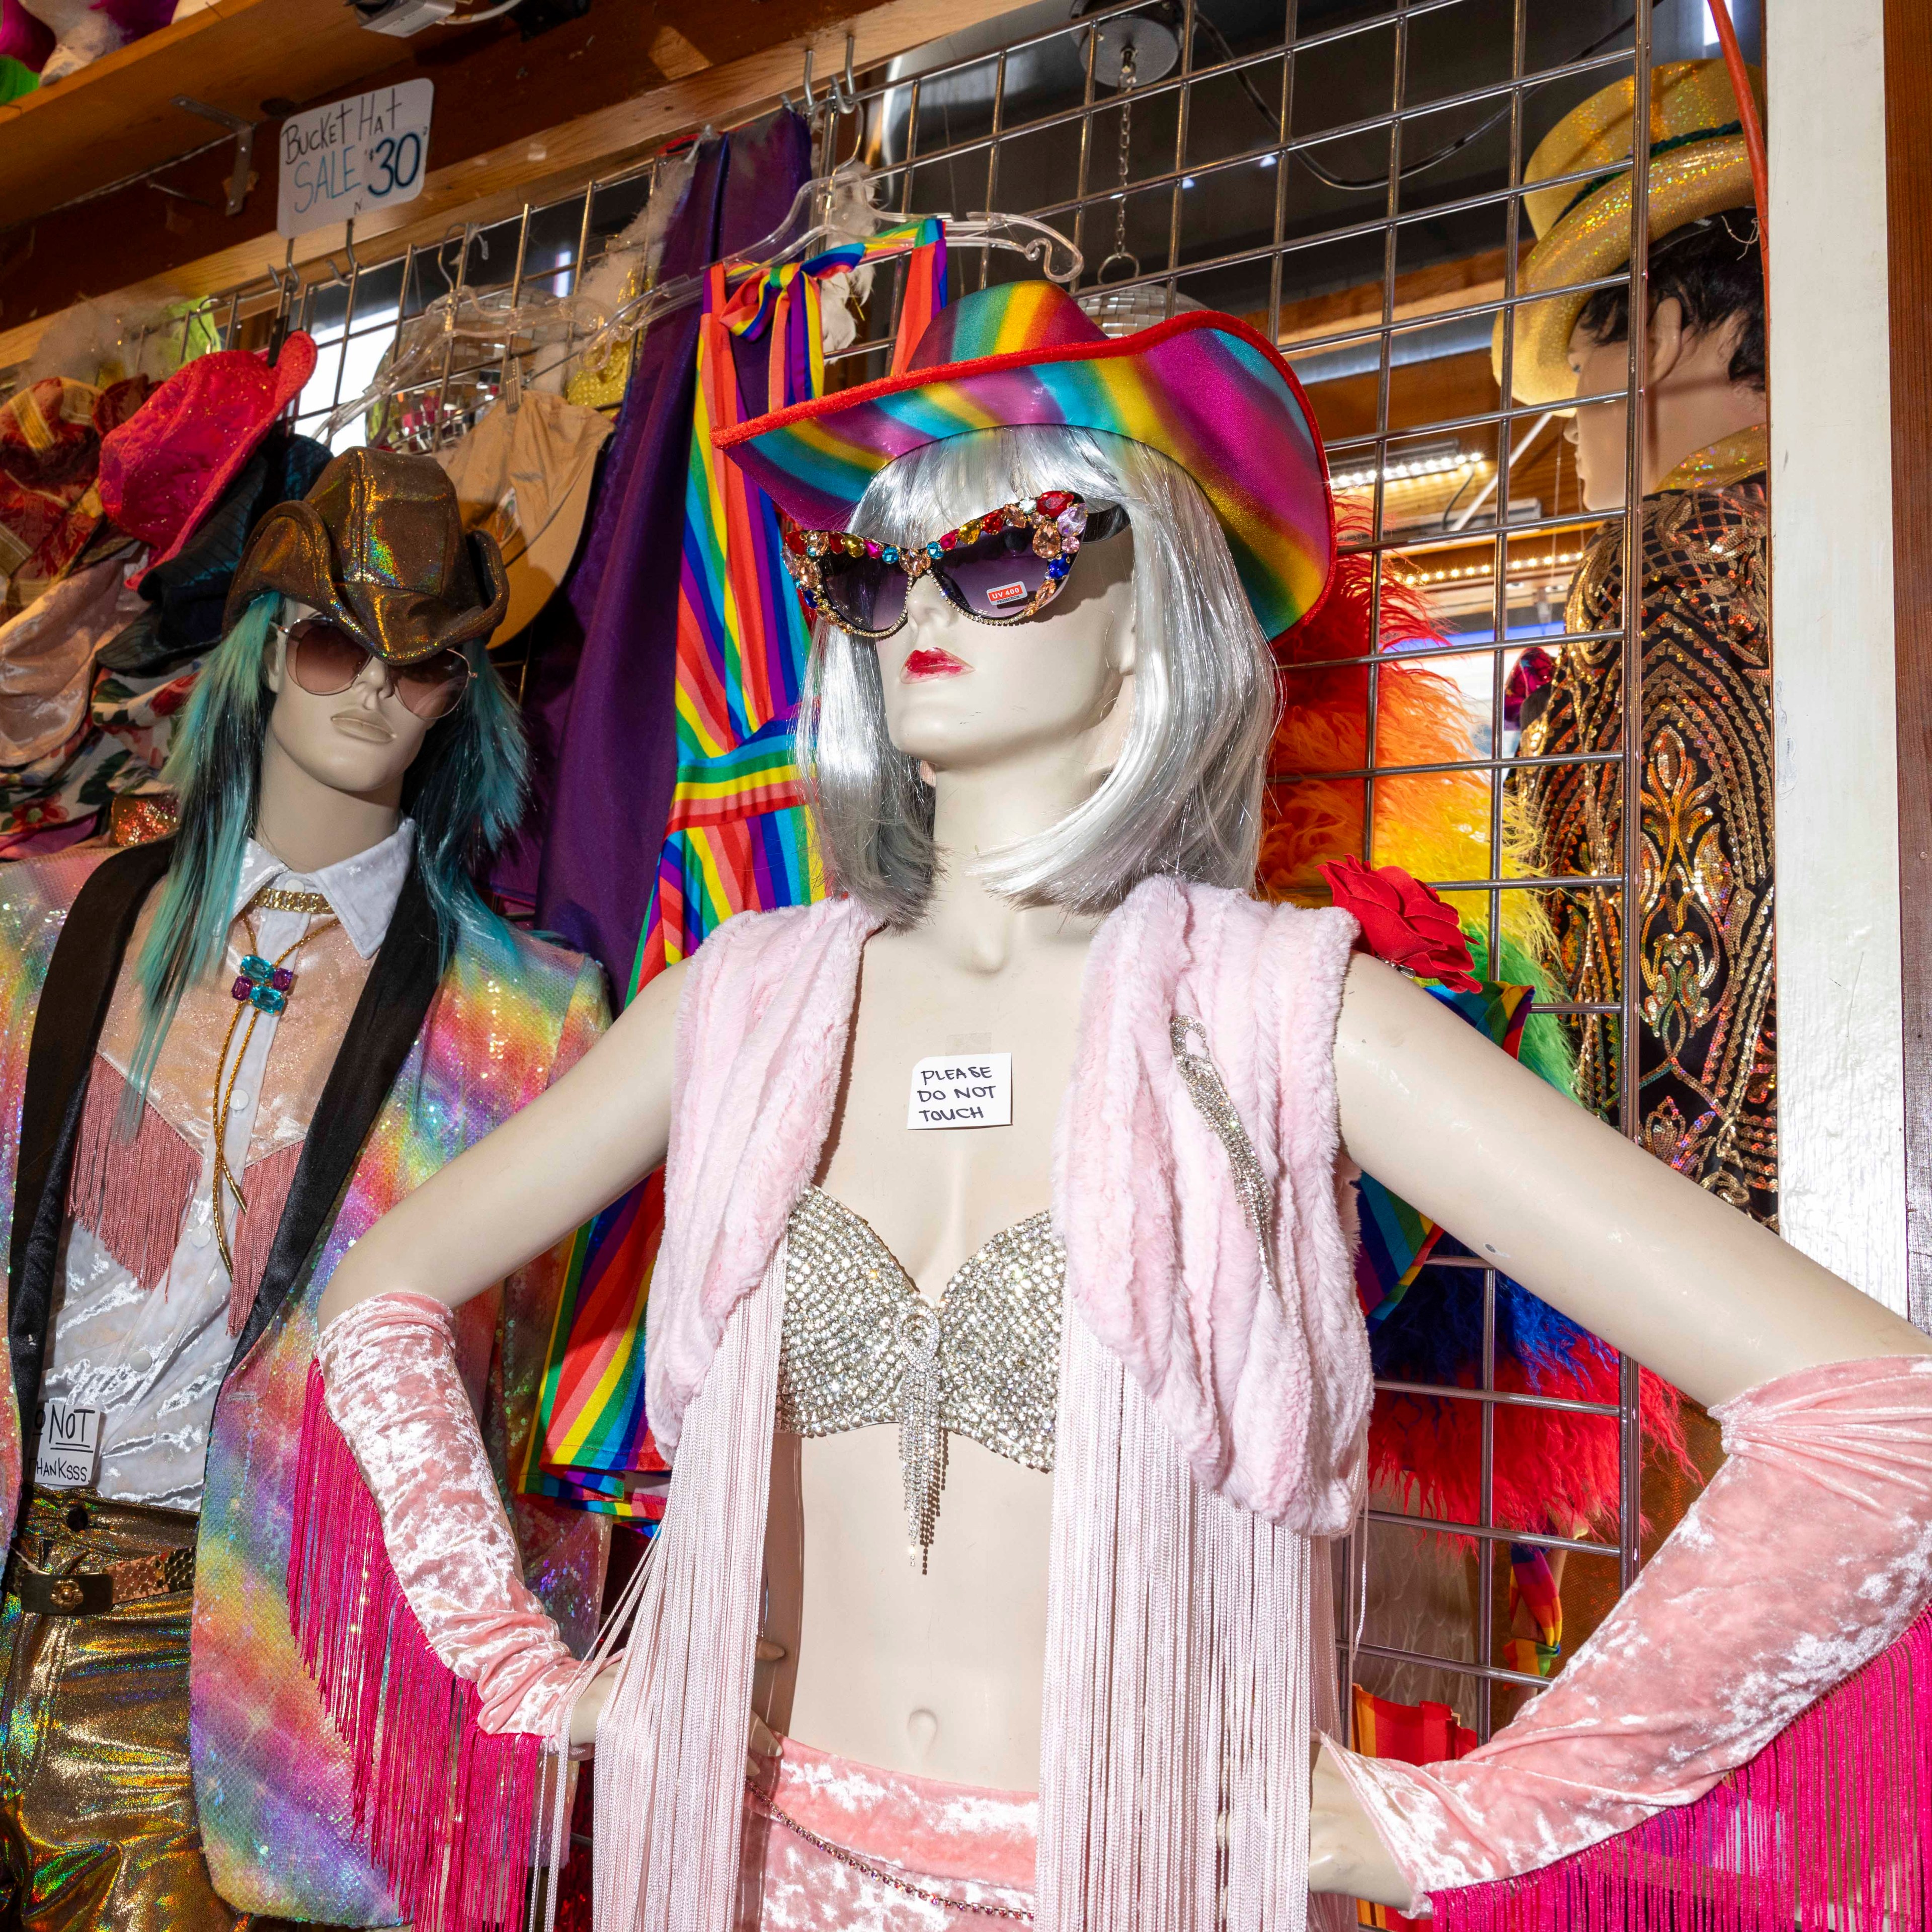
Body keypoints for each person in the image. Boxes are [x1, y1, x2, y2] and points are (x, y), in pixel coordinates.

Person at [303, 284, 1929, 1932]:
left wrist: (1455, 1815)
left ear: (1154, 614)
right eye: (877, 570)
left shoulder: (1290, 1013)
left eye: (1007, 553)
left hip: (1116, 1878)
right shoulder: (734, 1003)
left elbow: (1879, 1416)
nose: (927, 604)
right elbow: (379, 1297)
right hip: (748, 1860)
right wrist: (528, 1676)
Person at [0, 448, 608, 1929]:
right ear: (268, 654)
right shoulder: (40, 933)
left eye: (425, 667)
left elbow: (521, 1395)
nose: (371, 693)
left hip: (258, 1650)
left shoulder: (522, 1022)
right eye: (337, 644)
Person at [1504, 59, 1775, 1225]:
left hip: (1722, 1253)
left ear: (1661, 332)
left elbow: (1668, 991)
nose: (1570, 432)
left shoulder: (1661, 564)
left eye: (1581, 377)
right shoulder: (1830, 536)